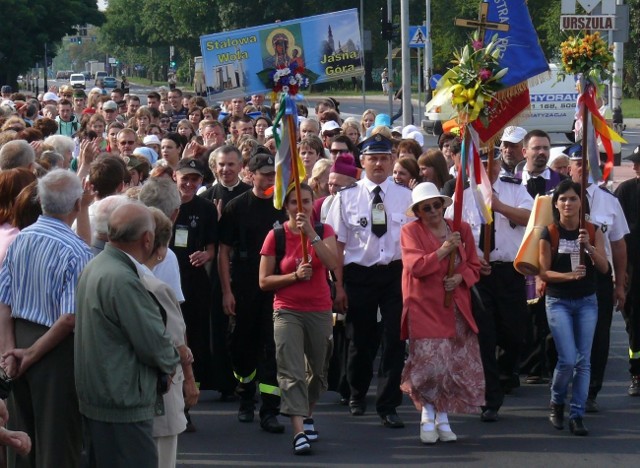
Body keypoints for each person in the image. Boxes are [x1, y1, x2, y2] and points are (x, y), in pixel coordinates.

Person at [75, 203, 180, 467]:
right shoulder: (123, 279)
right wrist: (173, 360)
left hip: (103, 394)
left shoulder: (97, 265)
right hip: (122, 402)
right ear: (147, 239)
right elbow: (153, 342)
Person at [0, 170, 93, 467]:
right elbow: (70, 318)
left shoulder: (20, 239)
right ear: (77, 204)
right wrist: (30, 353)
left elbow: (4, 302)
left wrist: (9, 353)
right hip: (54, 349)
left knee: (20, 441)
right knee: (57, 444)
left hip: (18, 339)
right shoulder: (76, 250)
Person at [326, 134, 413, 428]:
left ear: (392, 162)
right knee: (360, 339)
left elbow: (413, 241)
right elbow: (338, 245)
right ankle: (357, 392)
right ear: (362, 162)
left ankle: (388, 403)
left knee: (394, 340)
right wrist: (338, 285)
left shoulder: (405, 196)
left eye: (384, 158)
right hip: (359, 274)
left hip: (394, 274)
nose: (378, 163)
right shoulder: (346, 196)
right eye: (373, 158)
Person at [445, 150, 533, 422]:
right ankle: (490, 398)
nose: (488, 168)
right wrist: (470, 262)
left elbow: (532, 218)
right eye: (482, 163)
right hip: (478, 275)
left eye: (491, 163)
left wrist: (499, 206)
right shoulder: (463, 196)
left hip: (510, 272)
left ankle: (507, 373)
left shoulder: (514, 188)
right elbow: (451, 235)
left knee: (515, 334)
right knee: (485, 336)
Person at [400, 182, 484, 443]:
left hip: (456, 306)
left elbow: (474, 265)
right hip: (424, 306)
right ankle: (426, 412)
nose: (434, 210)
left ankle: (443, 417)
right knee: (429, 364)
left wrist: (460, 278)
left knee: (450, 363)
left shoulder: (462, 229)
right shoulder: (410, 231)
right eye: (427, 207)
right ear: (419, 211)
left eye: (437, 205)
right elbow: (416, 267)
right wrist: (444, 249)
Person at [259, 184, 337, 454]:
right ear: (286, 206)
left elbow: (332, 262)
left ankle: (307, 413)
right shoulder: (275, 235)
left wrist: (311, 234)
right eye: (294, 202)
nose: (300, 207)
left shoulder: (325, 231)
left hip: (318, 309)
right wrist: (293, 276)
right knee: (291, 371)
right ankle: (298, 431)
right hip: (287, 309)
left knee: (317, 371)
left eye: (305, 201)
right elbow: (264, 280)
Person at [218, 153, 287, 433]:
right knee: (242, 346)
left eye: (274, 174)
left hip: (275, 284)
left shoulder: (282, 206)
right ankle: (246, 395)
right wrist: (226, 291)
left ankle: (270, 409)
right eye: (266, 174)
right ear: (252, 174)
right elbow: (223, 251)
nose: (271, 179)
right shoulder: (237, 207)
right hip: (244, 284)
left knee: (273, 348)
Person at [538, 179, 609, 436]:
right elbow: (543, 272)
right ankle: (557, 401)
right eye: (563, 199)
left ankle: (577, 414)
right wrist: (568, 276)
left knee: (584, 361)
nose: (568, 203)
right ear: (556, 204)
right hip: (558, 301)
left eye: (573, 199)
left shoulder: (592, 230)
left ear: (582, 203)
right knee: (567, 359)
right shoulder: (549, 232)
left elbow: (604, 268)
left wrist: (589, 247)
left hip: (587, 301)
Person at [567, 144, 628, 412]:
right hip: (565, 276)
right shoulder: (554, 199)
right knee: (562, 336)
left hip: (598, 276)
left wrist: (619, 284)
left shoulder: (609, 201)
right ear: (568, 168)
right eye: (577, 162)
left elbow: (618, 245)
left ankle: (591, 391)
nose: (583, 166)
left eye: (588, 162)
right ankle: (563, 385)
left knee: (598, 336)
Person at [142, 208, 199, 468]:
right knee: (163, 456)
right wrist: (189, 377)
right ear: (160, 249)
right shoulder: (157, 288)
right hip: (159, 389)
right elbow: (177, 342)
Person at [613, 145, 640, 396]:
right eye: (635, 163)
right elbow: (616, 235)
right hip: (633, 269)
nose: (634, 168)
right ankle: (637, 374)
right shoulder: (625, 191)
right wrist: (620, 274)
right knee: (634, 324)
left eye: (639, 164)